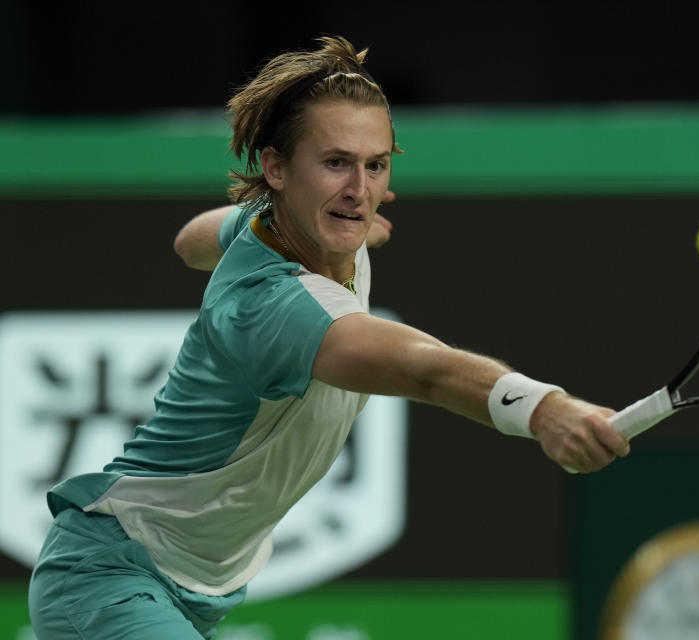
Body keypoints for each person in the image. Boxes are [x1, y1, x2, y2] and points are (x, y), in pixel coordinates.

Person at [27, 36, 630, 639]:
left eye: (375, 166)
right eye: (336, 162)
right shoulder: (271, 304)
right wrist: (545, 408)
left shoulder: (277, 221)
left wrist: (351, 226)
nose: (359, 189)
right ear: (276, 168)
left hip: (189, 588)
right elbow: (428, 370)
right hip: (107, 576)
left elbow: (190, 242)